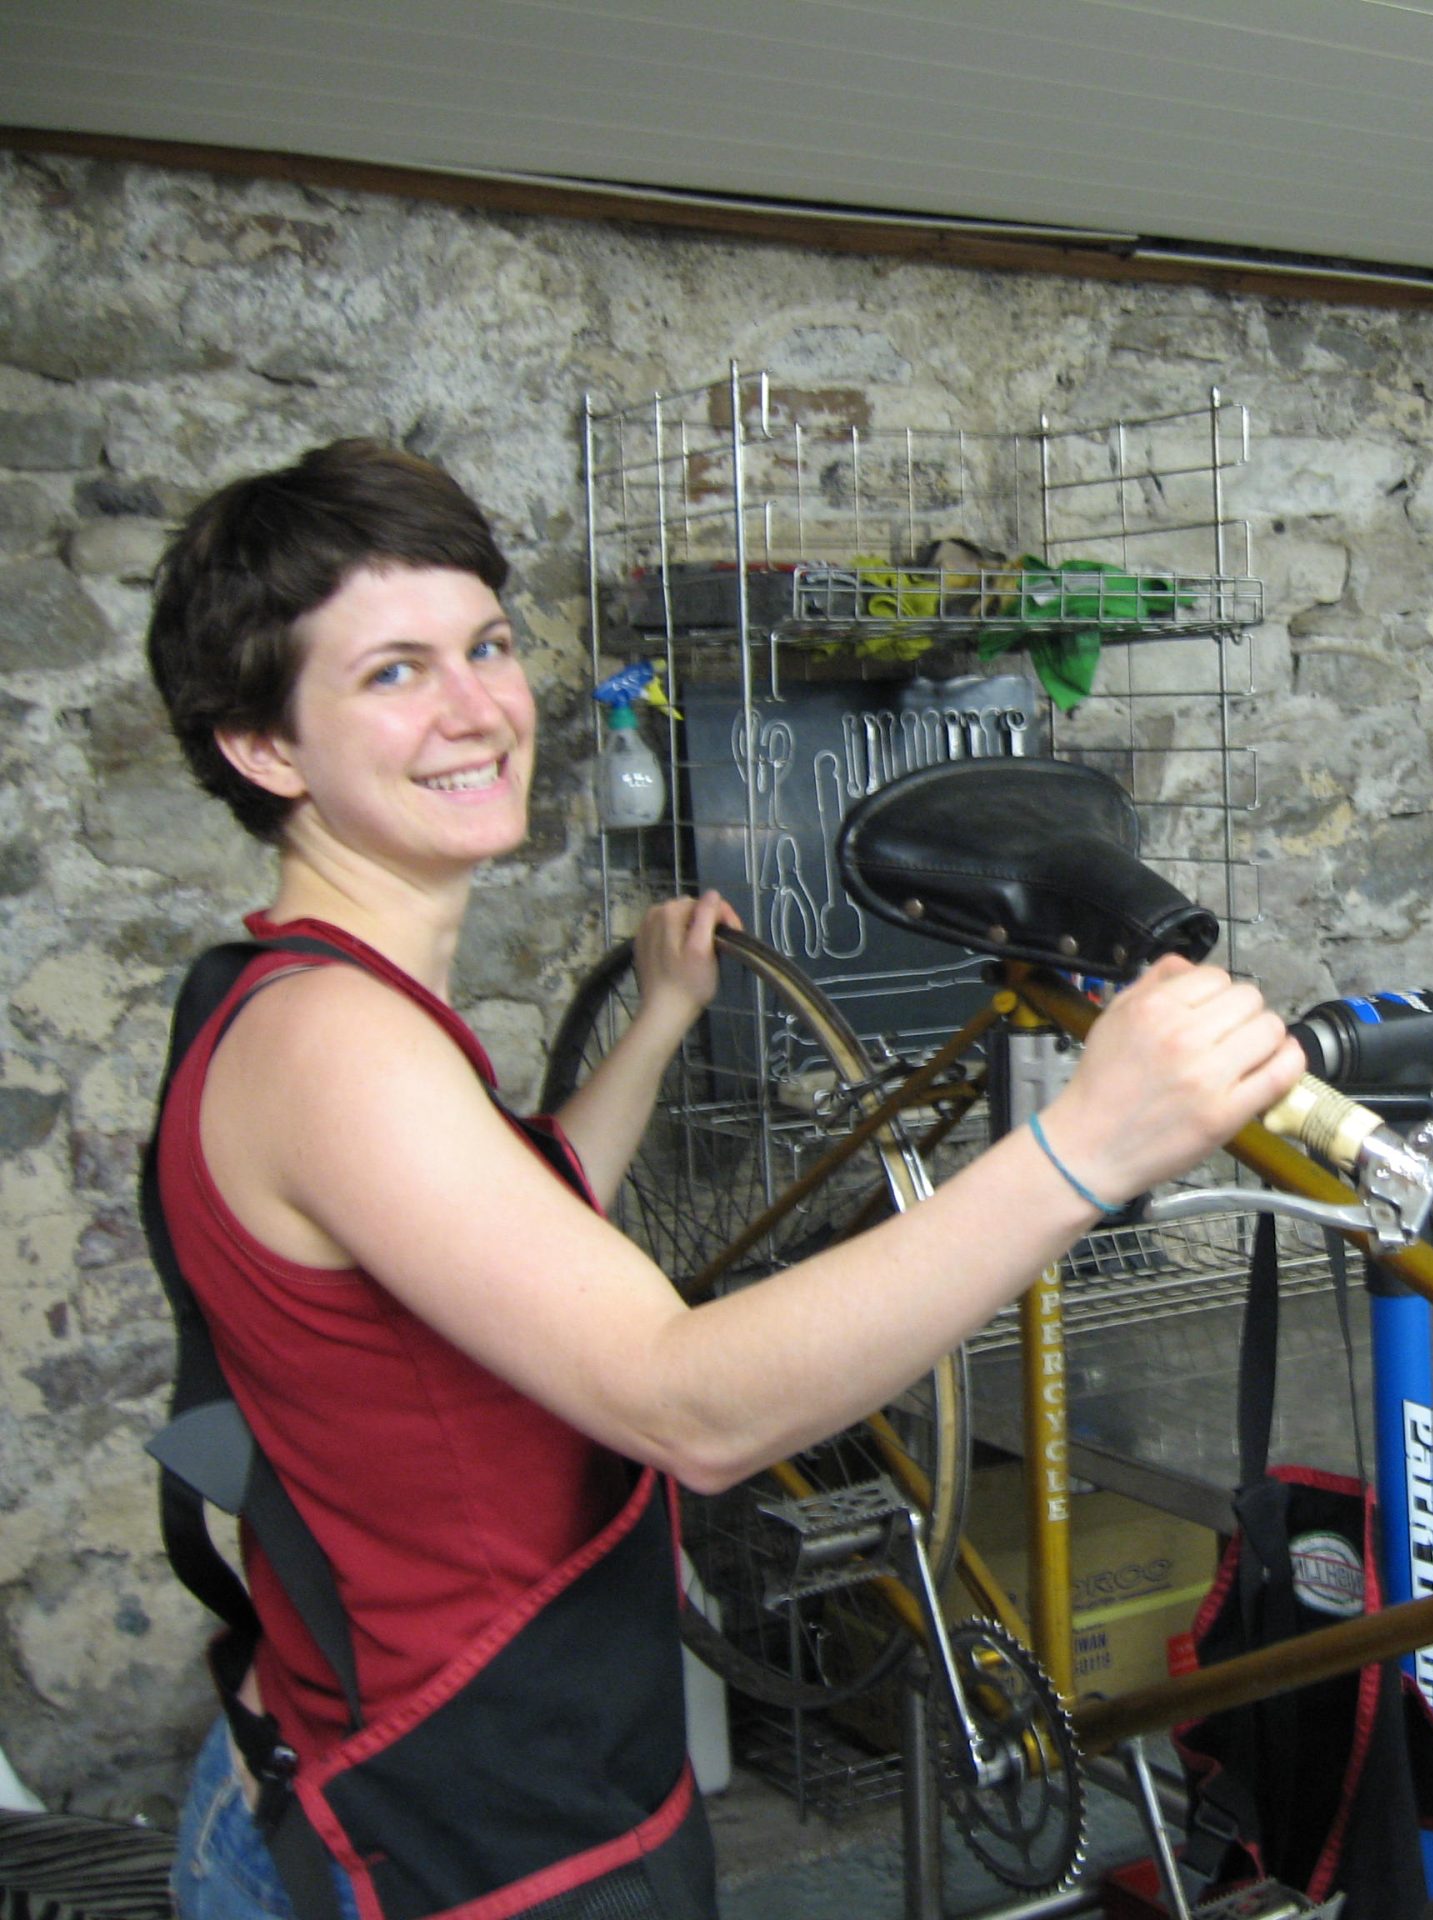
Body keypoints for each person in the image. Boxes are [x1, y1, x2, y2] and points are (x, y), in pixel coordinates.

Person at [142, 439, 1302, 1920]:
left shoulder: (280, 997)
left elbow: (513, 1216)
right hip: (440, 1839)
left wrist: (663, 1018)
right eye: (391, 673)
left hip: (426, 1771)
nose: (477, 708)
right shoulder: (331, 1048)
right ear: (267, 748)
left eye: (486, 645)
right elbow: (688, 1406)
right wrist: (1088, 1147)